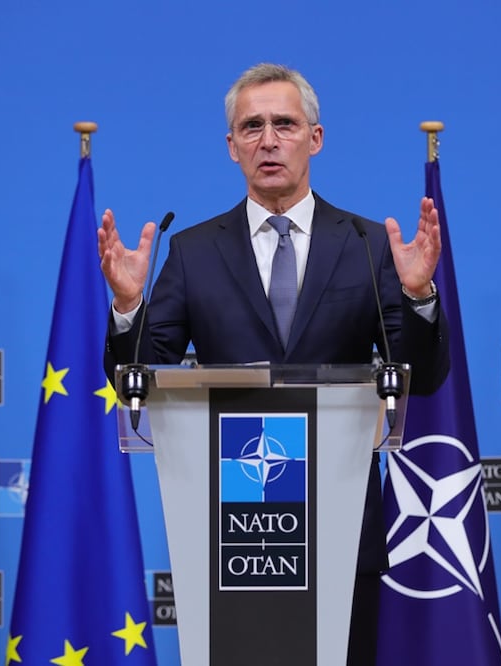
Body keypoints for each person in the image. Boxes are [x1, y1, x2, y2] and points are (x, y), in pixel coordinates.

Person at [98, 62, 450, 665]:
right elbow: (138, 379)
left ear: (314, 138)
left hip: (343, 527)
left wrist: (418, 295)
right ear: (231, 146)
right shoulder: (194, 251)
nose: (268, 140)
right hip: (237, 531)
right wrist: (130, 306)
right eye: (251, 126)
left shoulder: (368, 246)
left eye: (284, 124)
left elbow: (425, 374)